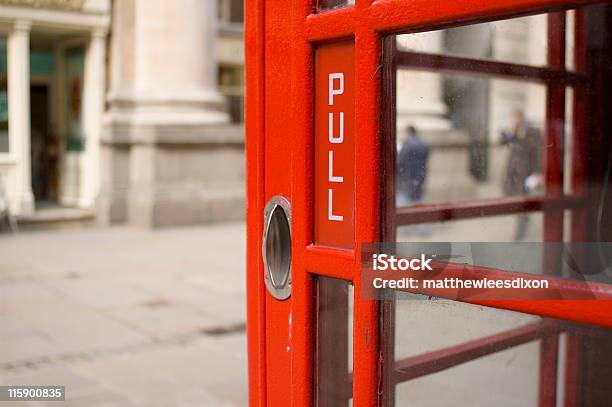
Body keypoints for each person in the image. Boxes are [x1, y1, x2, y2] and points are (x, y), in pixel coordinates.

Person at [500, 110, 542, 241]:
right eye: (513, 119)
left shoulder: (533, 131)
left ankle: (520, 229)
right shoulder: (513, 131)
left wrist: (537, 172)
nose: (515, 121)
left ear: (522, 118)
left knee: (521, 197)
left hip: (526, 171)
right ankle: (524, 216)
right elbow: (502, 142)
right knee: (508, 193)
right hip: (512, 170)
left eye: (516, 119)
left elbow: (539, 152)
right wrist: (512, 131)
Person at [397, 126, 430, 207]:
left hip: (406, 177)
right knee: (417, 201)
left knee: (403, 204)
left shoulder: (406, 144)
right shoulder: (424, 144)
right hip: (420, 177)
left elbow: (400, 161)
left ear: (408, 132)